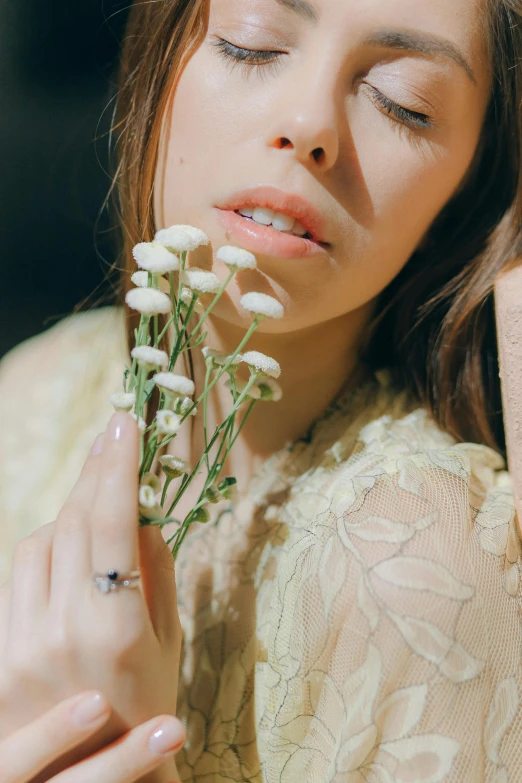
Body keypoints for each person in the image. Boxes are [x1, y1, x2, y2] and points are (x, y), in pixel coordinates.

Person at [0, 0, 521, 780]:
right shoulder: (39, 390)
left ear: (471, 183)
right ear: (159, 54)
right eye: (252, 45)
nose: (309, 123)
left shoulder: (422, 568)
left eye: (401, 100)